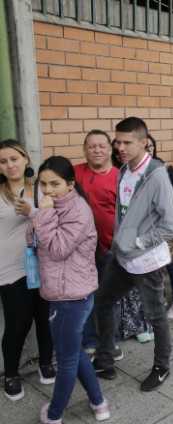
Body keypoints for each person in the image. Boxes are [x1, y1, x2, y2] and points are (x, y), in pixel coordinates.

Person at [92, 117, 173, 392]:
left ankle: (162, 366)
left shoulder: (156, 175)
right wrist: (120, 243)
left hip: (148, 261)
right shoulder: (123, 171)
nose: (120, 147)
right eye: (117, 141)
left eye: (127, 142)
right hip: (123, 257)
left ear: (144, 142)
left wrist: (139, 242)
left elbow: (171, 226)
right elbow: (124, 212)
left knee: (155, 315)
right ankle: (106, 356)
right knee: (103, 301)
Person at [33, 156, 111, 424]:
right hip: (62, 292)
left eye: (54, 184)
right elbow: (35, 238)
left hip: (71, 298)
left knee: (65, 360)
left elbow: (56, 249)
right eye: (43, 184)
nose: (47, 190)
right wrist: (39, 217)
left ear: (69, 184)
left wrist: (41, 214)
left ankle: (54, 415)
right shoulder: (52, 205)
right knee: (74, 351)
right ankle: (99, 403)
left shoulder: (77, 211)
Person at [0, 139, 54, 401]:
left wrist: (34, 211)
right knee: (17, 324)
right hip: (10, 269)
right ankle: (11, 374)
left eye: (14, 158)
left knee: (44, 319)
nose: (10, 165)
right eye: (3, 161)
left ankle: (46, 362)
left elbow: (54, 223)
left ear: (25, 160)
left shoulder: (40, 191)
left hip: (42, 265)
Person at [74, 130, 123, 355]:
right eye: (91, 146)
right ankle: (89, 341)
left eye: (101, 146)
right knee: (82, 296)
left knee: (106, 299)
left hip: (109, 248)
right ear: (84, 149)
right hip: (79, 249)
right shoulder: (74, 174)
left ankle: (109, 342)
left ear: (110, 149)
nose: (96, 150)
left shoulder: (120, 177)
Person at [144, 135, 173, 321]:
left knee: (170, 263)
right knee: (150, 265)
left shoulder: (165, 167)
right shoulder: (133, 171)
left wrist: (167, 206)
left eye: (151, 145)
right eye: (145, 146)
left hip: (166, 225)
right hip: (145, 227)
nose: (149, 149)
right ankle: (155, 301)